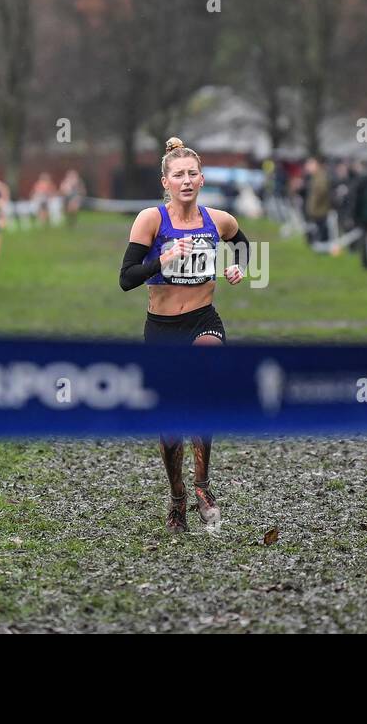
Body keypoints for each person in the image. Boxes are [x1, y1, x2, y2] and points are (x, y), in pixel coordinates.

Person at [118, 137, 249, 534]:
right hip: (161, 328)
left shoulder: (218, 220)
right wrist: (162, 259)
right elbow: (126, 279)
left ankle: (203, 485)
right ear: (166, 182)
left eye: (192, 174)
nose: (186, 180)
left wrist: (239, 267)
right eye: (179, 175)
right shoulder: (151, 220)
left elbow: (243, 244)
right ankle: (177, 499)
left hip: (203, 319)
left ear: (203, 179)